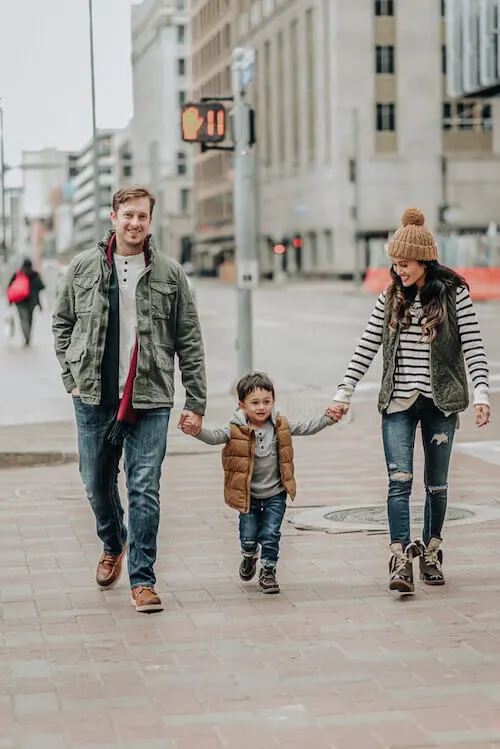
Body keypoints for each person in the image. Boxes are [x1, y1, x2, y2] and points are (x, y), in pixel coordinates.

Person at [52, 186, 206, 614]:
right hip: (93, 396)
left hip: (150, 395)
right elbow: (61, 323)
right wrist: (72, 378)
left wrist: (195, 400)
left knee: (143, 489)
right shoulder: (83, 267)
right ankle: (112, 541)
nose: (135, 223)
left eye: (142, 216)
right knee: (95, 482)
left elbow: (190, 340)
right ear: (113, 216)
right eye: (128, 215)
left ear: (150, 222)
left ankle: (143, 579)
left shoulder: (170, 274)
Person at [327, 208, 490, 595]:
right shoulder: (389, 297)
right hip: (398, 404)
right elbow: (366, 345)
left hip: (441, 403)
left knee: (436, 485)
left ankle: (431, 552)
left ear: (424, 261)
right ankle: (399, 558)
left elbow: (474, 347)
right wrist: (344, 391)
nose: (399, 270)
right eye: (395, 264)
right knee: (399, 482)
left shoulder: (454, 294)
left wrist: (481, 393)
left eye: (405, 264)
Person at [182, 372, 337, 594]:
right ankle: (249, 555)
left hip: (276, 493)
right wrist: (195, 431)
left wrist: (328, 419)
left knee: (271, 533)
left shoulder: (280, 425)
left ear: (274, 401)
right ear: (242, 405)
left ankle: (268, 572)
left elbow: (306, 426)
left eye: (267, 401)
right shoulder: (235, 429)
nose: (261, 407)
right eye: (254, 402)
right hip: (248, 495)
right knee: (248, 537)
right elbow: (214, 436)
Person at [7, 258, 45, 346]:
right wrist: (40, 304)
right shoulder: (34, 274)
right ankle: (28, 336)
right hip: (32, 302)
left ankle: (26, 336)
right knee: (30, 319)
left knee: (23, 319)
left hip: (20, 301)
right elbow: (41, 286)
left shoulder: (18, 274)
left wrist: (10, 301)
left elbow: (10, 287)